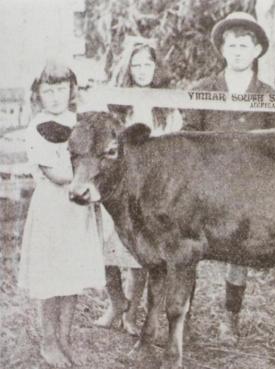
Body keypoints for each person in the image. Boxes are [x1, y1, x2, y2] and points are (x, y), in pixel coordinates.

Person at [182, 12, 275, 341]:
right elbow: (187, 137)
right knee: (189, 251)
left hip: (246, 191)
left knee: (238, 253)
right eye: (231, 45)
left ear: (256, 51)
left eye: (244, 45)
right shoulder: (202, 90)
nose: (237, 51)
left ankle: (230, 317)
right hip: (204, 189)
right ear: (222, 50)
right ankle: (184, 314)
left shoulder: (269, 95)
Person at [18, 60, 106, 367]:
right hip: (52, 210)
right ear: (38, 93)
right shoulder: (38, 127)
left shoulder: (79, 121)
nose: (55, 96)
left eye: (61, 89)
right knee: (51, 279)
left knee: (71, 277)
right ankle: (48, 341)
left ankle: (66, 338)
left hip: (77, 211)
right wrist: (88, 170)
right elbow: (56, 173)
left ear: (71, 90)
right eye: (48, 90)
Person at [94, 37, 176, 336]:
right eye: (136, 64)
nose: (142, 70)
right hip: (116, 188)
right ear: (127, 68)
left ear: (157, 67)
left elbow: (173, 147)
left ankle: (132, 310)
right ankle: (116, 302)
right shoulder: (116, 103)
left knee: (140, 250)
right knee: (107, 248)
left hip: (150, 190)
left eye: (148, 64)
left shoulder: (167, 104)